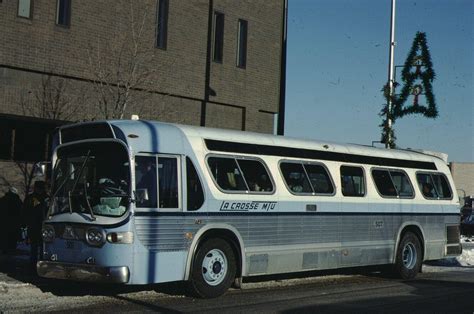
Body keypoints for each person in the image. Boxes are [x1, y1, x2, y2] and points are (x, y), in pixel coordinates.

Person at [24, 181, 48, 269]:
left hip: (41, 224)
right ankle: (34, 263)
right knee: (35, 245)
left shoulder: (45, 198)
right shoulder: (44, 198)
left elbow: (25, 211)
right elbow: (25, 211)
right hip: (35, 224)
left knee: (42, 245)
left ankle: (40, 262)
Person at [3, 187, 23, 253]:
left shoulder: (3, 200)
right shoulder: (17, 200)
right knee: (13, 237)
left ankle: (5, 249)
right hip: (15, 223)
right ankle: (12, 249)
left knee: (5, 237)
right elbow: (21, 211)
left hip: (4, 222)